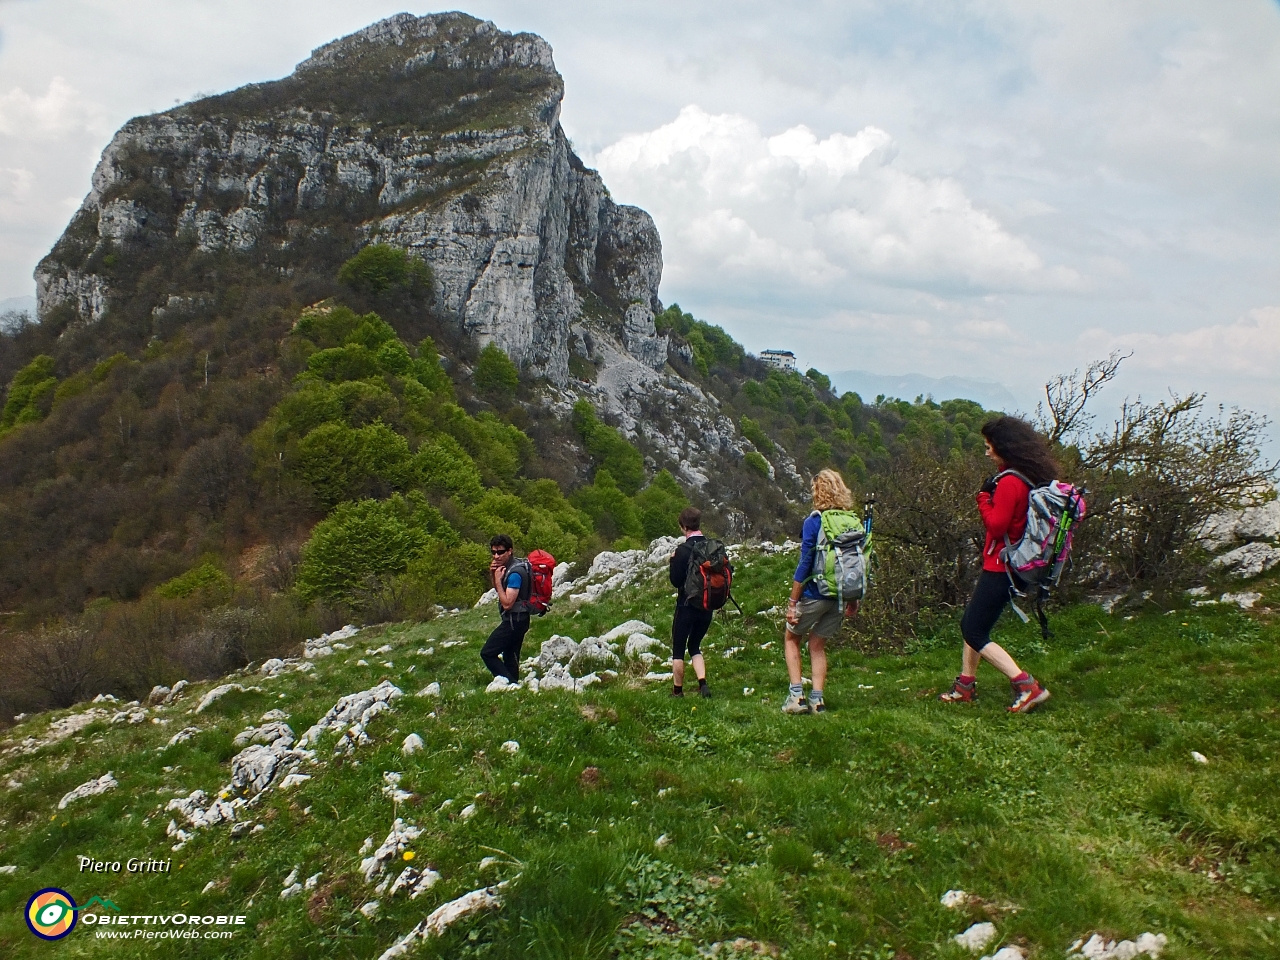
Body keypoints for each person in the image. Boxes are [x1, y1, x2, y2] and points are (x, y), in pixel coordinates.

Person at [939, 415, 1055, 712]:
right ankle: (965, 684)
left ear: (1004, 447)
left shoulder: (1010, 483)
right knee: (975, 622)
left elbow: (996, 525)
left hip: (1001, 566)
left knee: (973, 629)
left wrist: (982, 498)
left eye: (989, 446)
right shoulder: (1028, 476)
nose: (987, 452)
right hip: (1014, 564)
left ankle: (1025, 684)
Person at [782, 469, 859, 715]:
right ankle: (818, 701)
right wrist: (853, 598)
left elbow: (805, 563)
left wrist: (793, 601)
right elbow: (857, 563)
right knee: (817, 645)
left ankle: (796, 697)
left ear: (818, 492)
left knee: (792, 638)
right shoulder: (850, 520)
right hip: (839, 596)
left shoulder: (814, 522)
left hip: (815, 593)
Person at [668, 506, 714, 698]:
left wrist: (673, 562)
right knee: (694, 645)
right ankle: (702, 684)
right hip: (707, 604)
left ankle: (678, 691)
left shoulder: (682, 551)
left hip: (686, 606)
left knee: (678, 649)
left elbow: (675, 581)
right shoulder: (712, 547)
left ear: (683, 526)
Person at [480, 534, 531, 684]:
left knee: (487, 653)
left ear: (510, 551)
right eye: (493, 552)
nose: (496, 556)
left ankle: (509, 684)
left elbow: (507, 603)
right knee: (510, 655)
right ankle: (514, 687)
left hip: (514, 620)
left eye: (500, 552)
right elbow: (500, 590)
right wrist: (493, 574)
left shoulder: (515, 573)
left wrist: (497, 579)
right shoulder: (509, 567)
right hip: (520, 619)